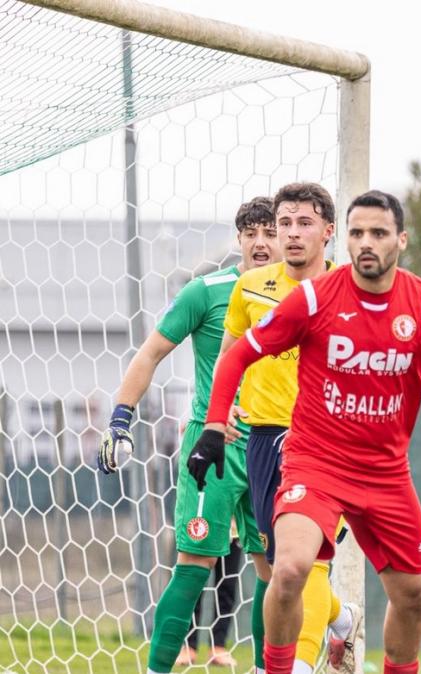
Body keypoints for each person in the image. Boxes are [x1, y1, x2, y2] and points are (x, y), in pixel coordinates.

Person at [188, 189, 421, 674]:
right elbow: (238, 353)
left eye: (379, 233)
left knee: (413, 595)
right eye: (358, 232)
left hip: (385, 474)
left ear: (400, 240)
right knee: (290, 568)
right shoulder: (314, 298)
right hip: (314, 463)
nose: (367, 242)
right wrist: (214, 427)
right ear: (345, 237)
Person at [96, 196, 279, 674]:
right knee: (194, 563)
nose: (261, 243)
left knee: (273, 571)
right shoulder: (206, 291)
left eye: (269, 232)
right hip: (212, 447)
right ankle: (158, 668)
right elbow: (151, 352)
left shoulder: (302, 297)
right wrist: (120, 418)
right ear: (239, 239)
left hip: (274, 447)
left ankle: (268, 665)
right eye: (251, 233)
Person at [220, 183, 357, 674]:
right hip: (263, 439)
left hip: (328, 442)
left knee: (309, 563)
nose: (292, 234)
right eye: (285, 224)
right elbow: (231, 354)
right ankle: (342, 620)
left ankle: (293, 664)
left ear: (328, 231)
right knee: (281, 568)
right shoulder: (250, 288)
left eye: (303, 224)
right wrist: (225, 408)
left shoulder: (350, 287)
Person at [179, 526, 243, 667]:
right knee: (194, 584)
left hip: (232, 529)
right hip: (203, 526)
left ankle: (218, 647)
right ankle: (188, 646)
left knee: (227, 587)